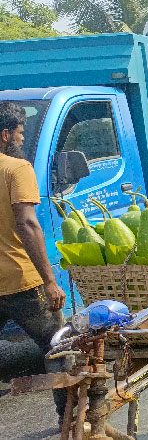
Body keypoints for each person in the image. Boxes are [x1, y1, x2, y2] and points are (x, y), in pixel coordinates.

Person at [0, 102, 68, 424]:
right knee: (61, 344)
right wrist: (50, 281)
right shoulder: (17, 169)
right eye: (20, 132)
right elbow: (27, 224)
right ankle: (70, 418)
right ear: (5, 135)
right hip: (21, 283)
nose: (22, 138)